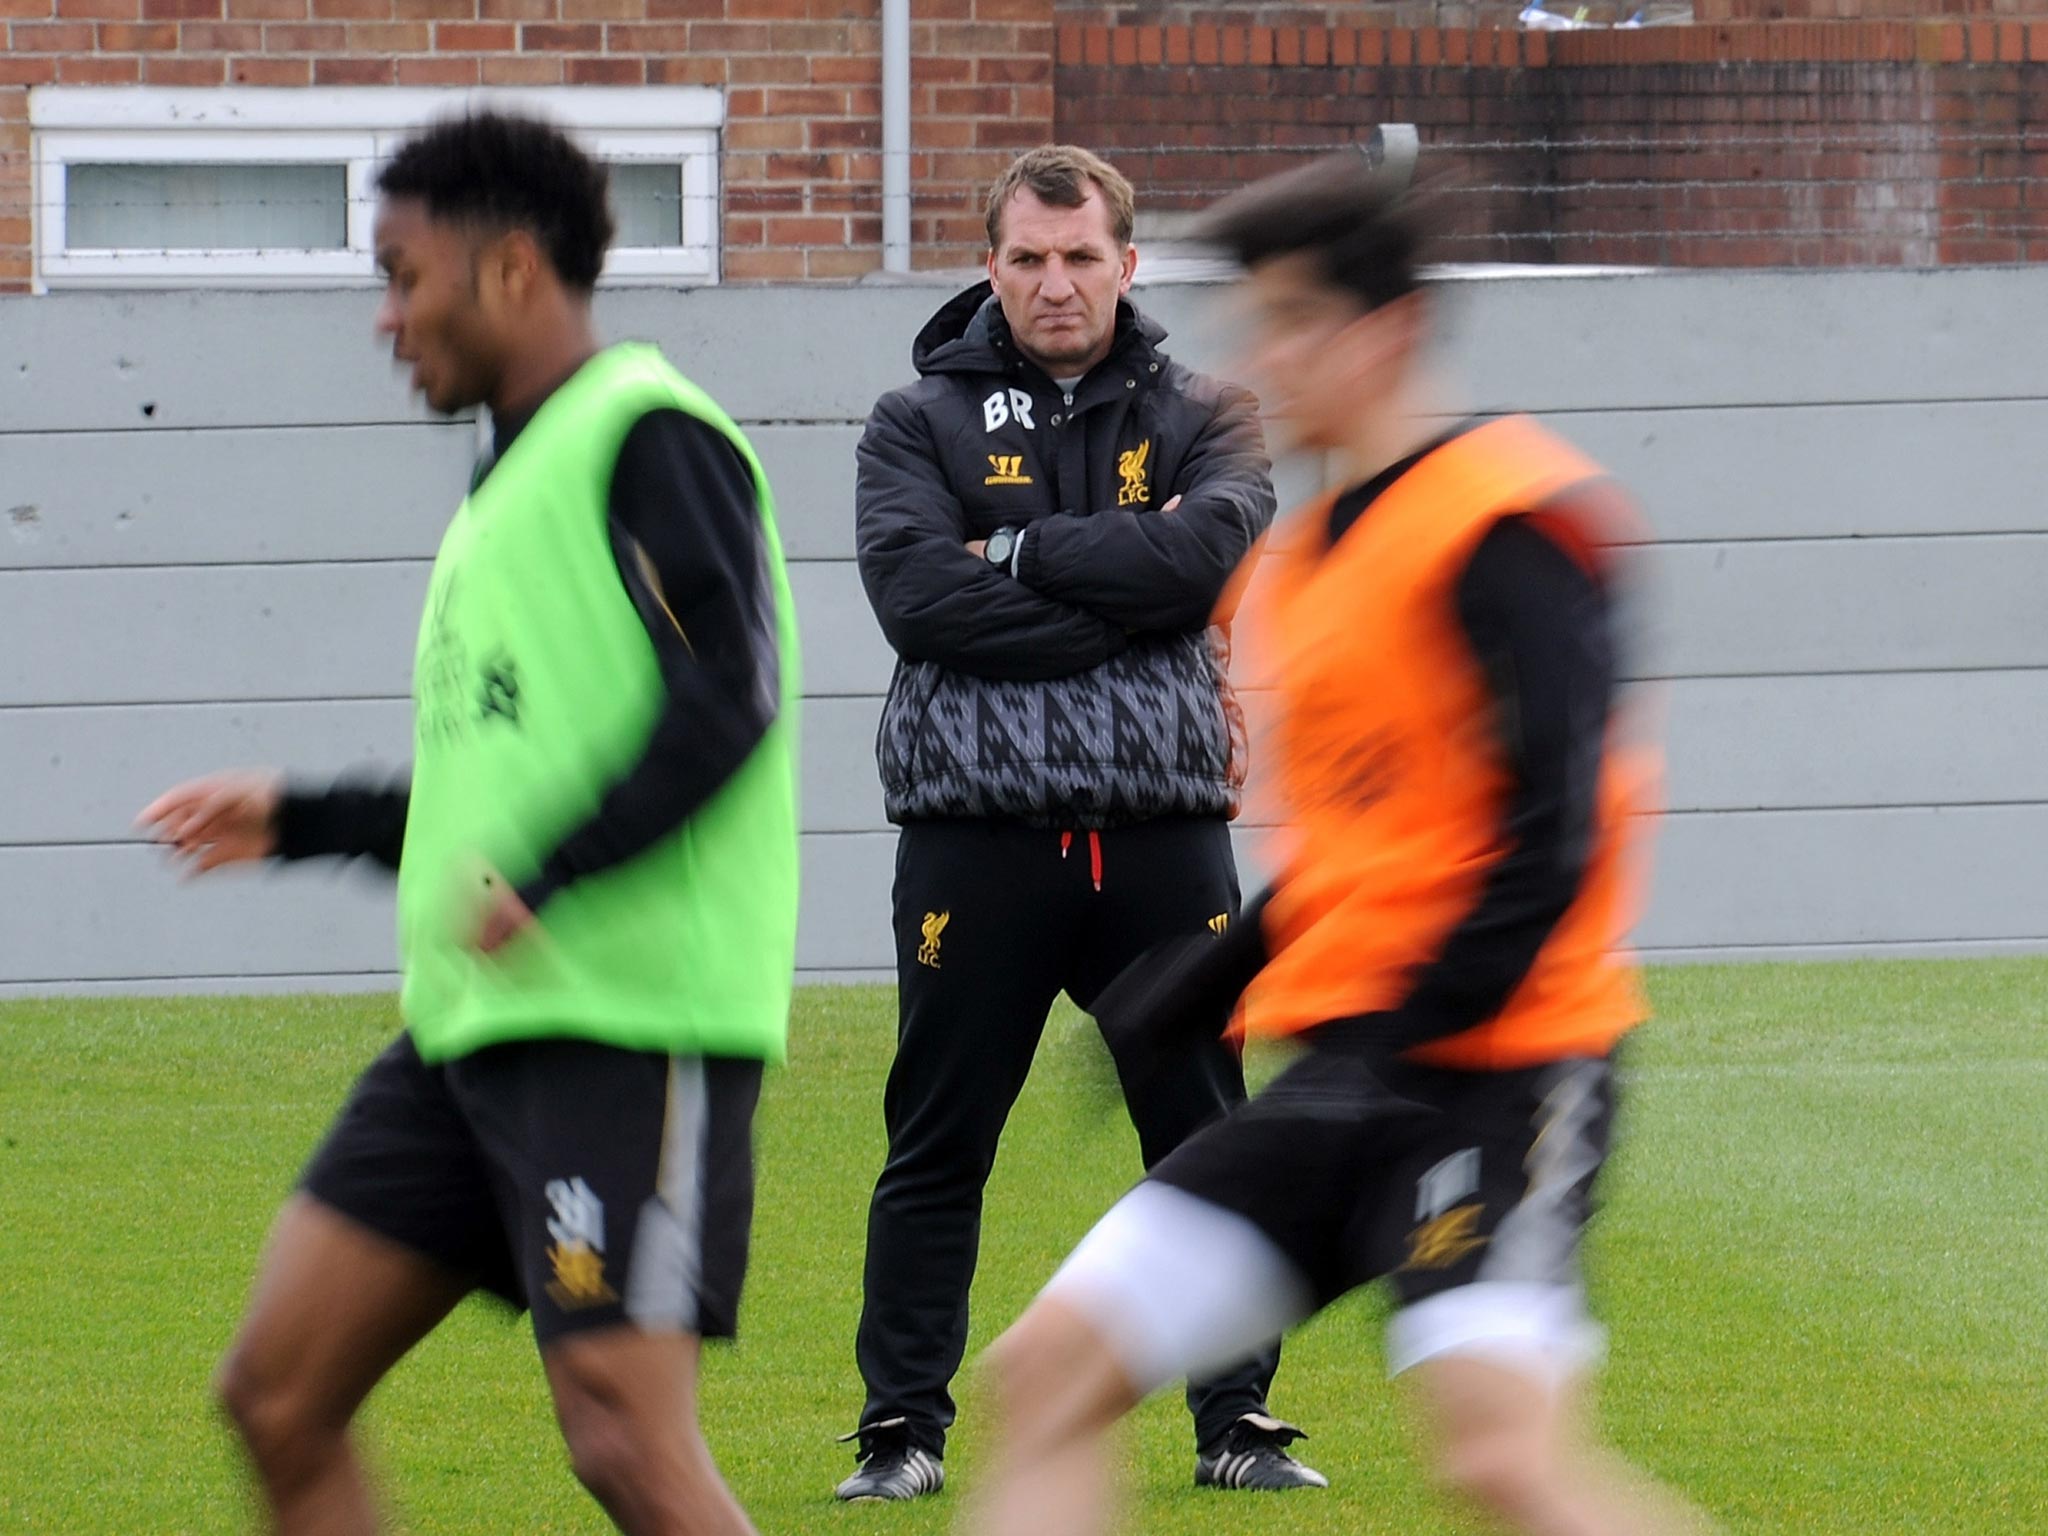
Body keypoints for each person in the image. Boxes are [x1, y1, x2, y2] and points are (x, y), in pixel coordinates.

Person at [960, 153, 1718, 1536]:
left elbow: (1552, 830)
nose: (1265, 356)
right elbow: (1376, 843)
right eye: (1256, 320)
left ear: (1391, 332)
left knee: (1501, 1457)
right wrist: (1204, 980)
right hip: (1354, 1072)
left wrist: (1434, 1019)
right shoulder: (1307, 564)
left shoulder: (1508, 519)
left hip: (1503, 1074)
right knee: (1045, 1374)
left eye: (1296, 318)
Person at [135, 111, 800, 1536]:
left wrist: (553, 877)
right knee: (277, 1393)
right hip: (472, 1034)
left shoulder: (650, 435)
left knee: (623, 1436)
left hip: (625, 1025)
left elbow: (728, 698)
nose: (386, 317)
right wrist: (307, 815)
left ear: (507, 272)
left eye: (401, 273)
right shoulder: (503, 489)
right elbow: (495, 789)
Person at [836, 144, 1323, 1501]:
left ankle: (1237, 1422)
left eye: (1083, 256)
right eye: (1030, 259)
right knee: (937, 1142)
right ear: (990, 265)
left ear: (1129, 261)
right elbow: (917, 605)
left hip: (1161, 836)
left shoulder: (1214, 411)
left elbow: (1201, 562)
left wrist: (1013, 549)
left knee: (1211, 1137)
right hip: (973, 841)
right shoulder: (909, 423)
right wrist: (1123, 589)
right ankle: (901, 1432)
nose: (1058, 283)